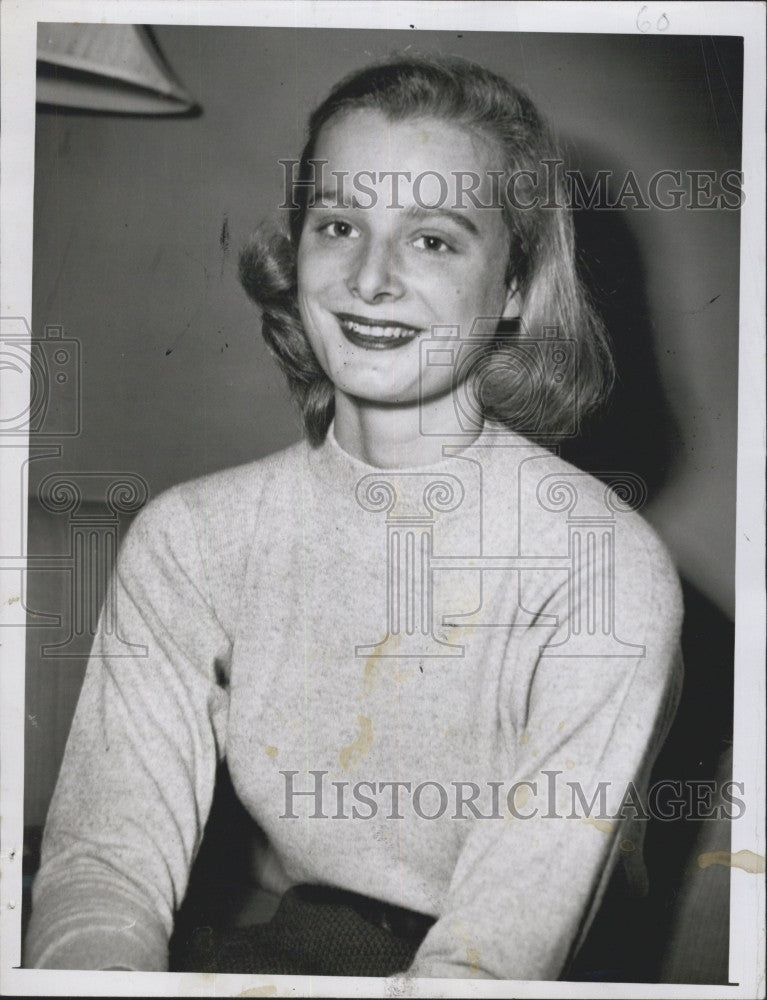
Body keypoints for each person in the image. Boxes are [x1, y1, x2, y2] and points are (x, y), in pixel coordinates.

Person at [25, 55, 683, 980]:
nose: (370, 278)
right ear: (296, 255)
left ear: (515, 291)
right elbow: (106, 865)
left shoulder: (602, 565)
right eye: (339, 224)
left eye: (434, 240)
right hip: (285, 945)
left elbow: (490, 961)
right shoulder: (190, 537)